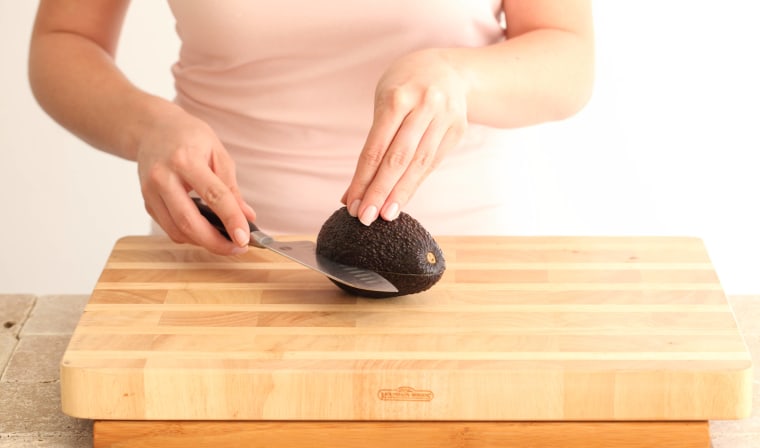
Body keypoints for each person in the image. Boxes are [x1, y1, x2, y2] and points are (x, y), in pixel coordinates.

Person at [29, 1, 594, 256]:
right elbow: (64, 41)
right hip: (221, 264)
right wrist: (147, 124)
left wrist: (458, 75)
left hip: (464, 265)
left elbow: (568, 56)